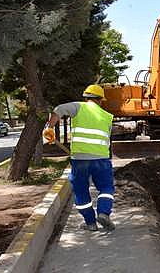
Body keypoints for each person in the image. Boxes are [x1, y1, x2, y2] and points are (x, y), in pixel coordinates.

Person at [42, 84, 115, 232]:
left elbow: (58, 110)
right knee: (106, 187)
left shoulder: (78, 107)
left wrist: (49, 127)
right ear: (101, 100)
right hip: (101, 159)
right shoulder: (108, 116)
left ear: (86, 97)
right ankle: (103, 213)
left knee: (81, 191)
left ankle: (90, 223)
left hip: (80, 159)